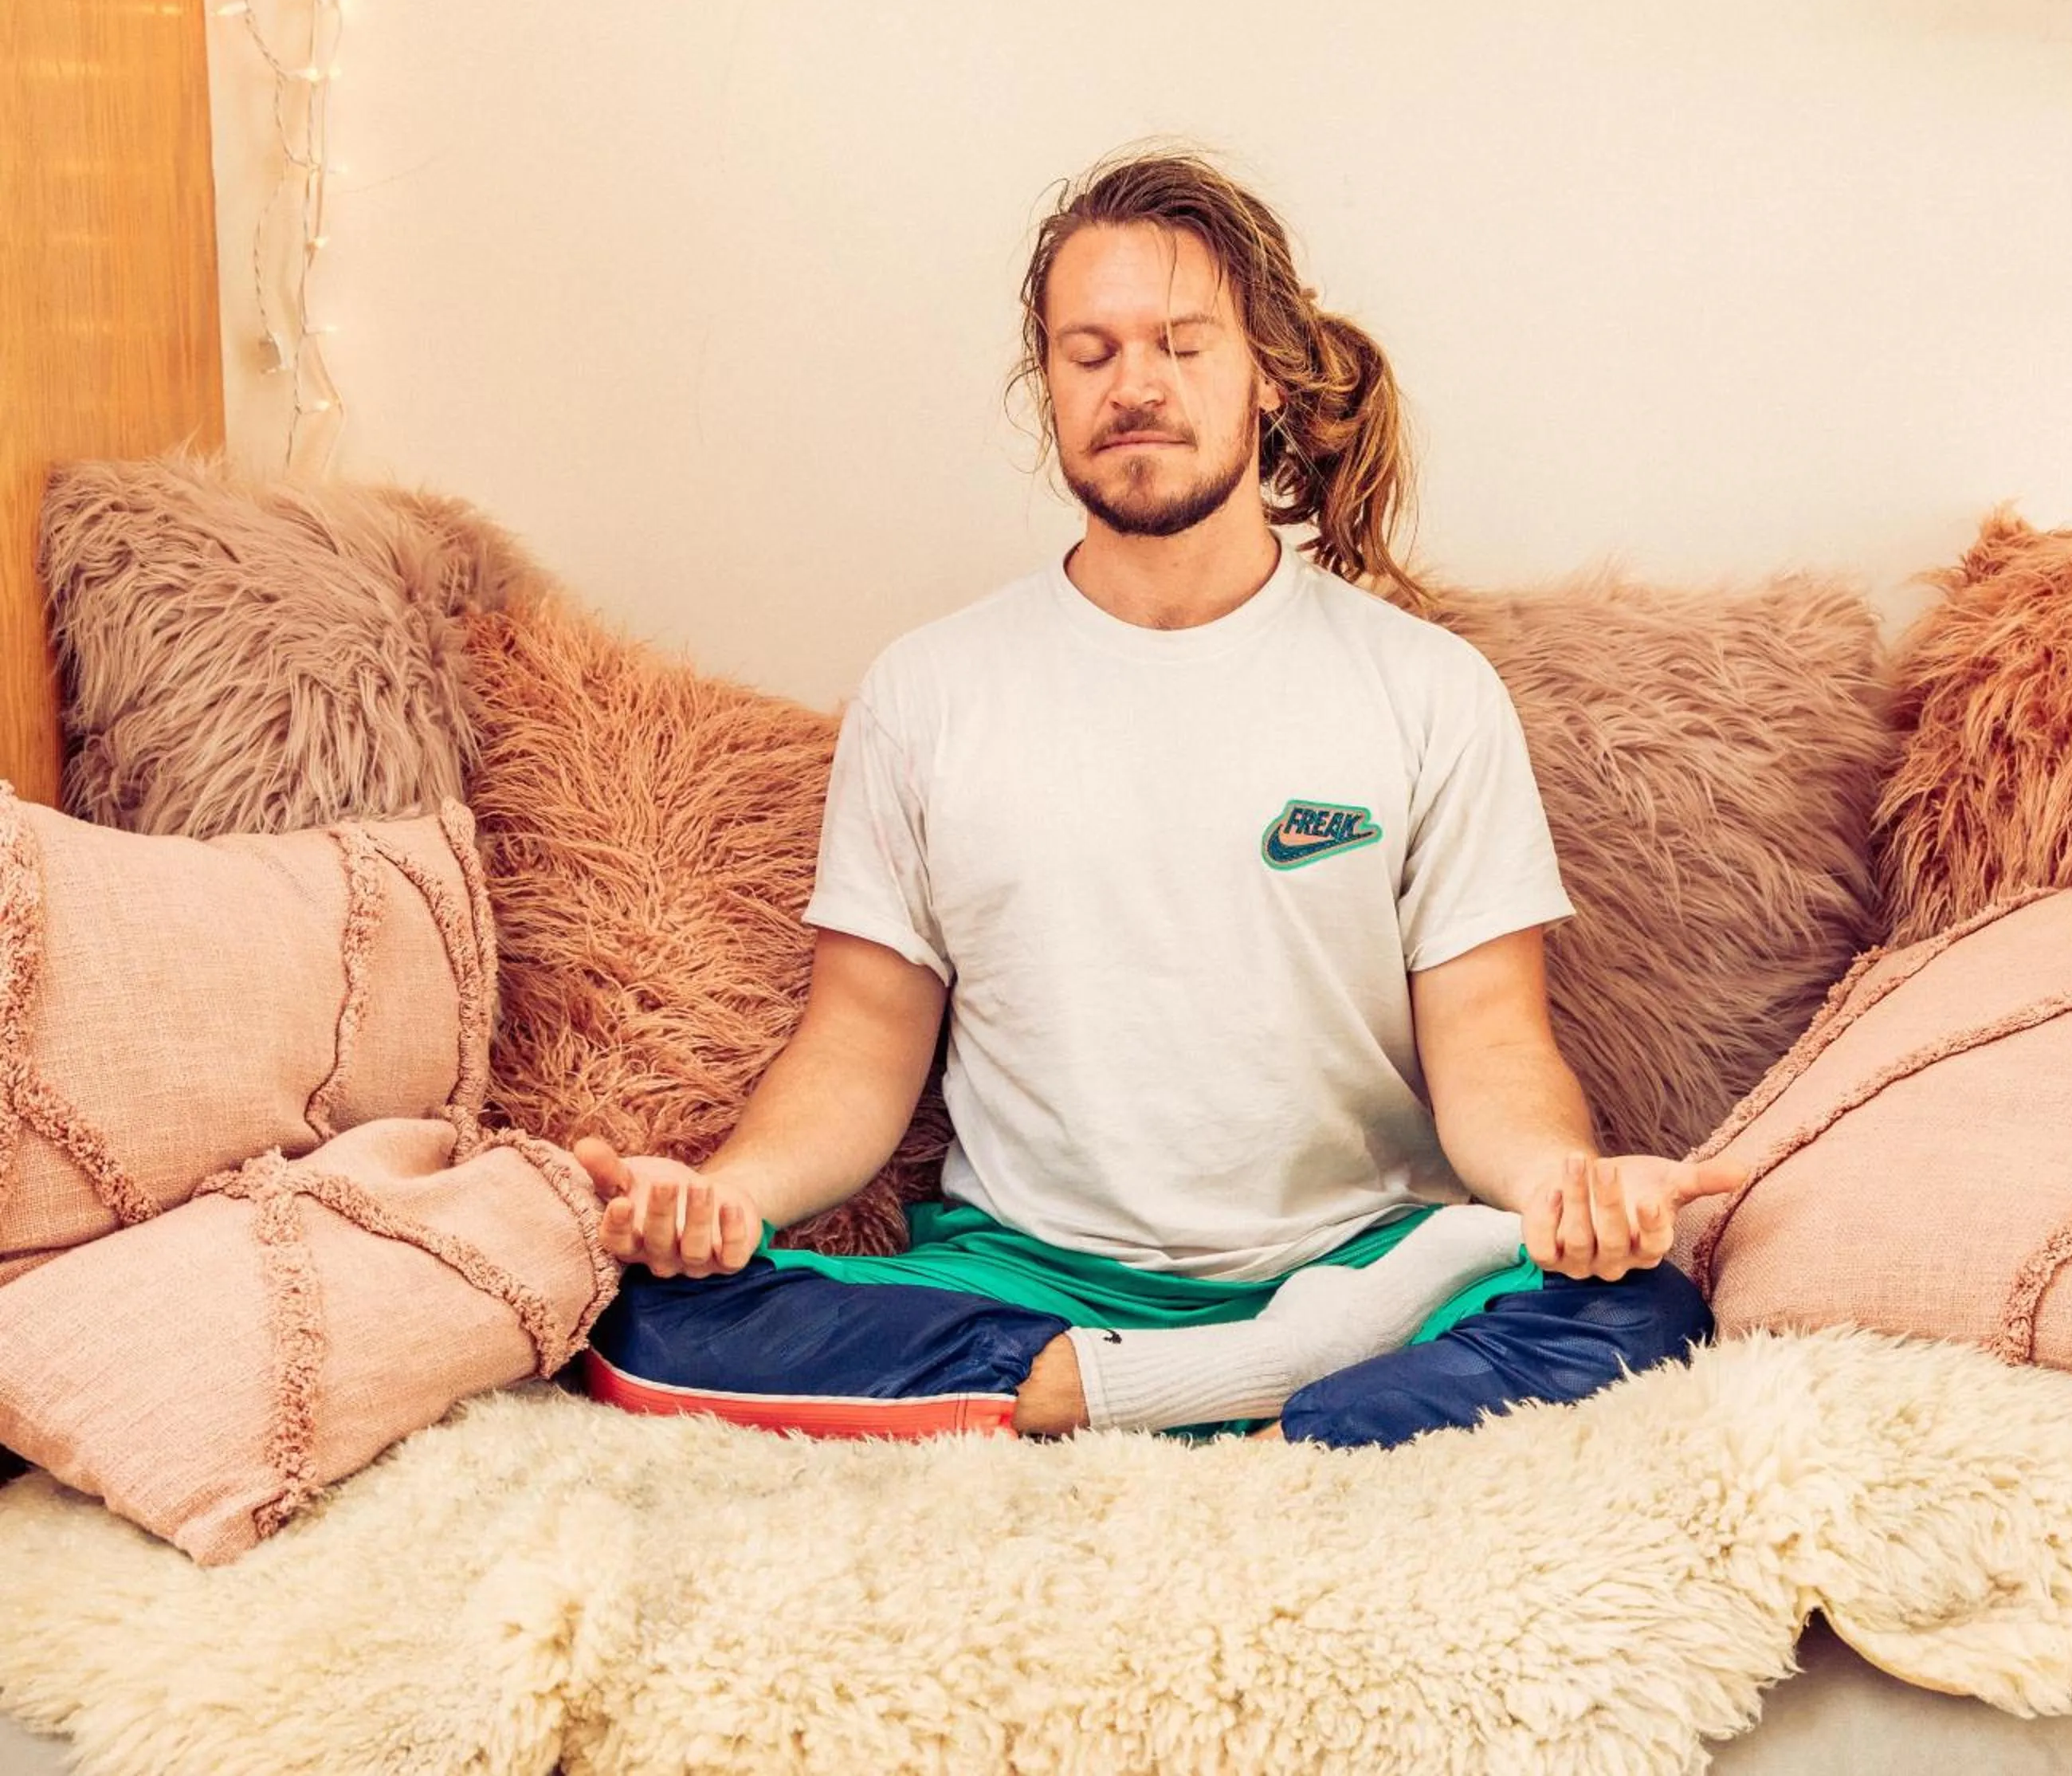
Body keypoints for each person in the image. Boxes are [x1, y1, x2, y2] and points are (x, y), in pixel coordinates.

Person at [572, 147, 1742, 1449]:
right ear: (1048, 388)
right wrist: (726, 1200)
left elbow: (1493, 1046)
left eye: (1183, 344)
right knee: (641, 1325)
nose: (1136, 384)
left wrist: (1560, 1192)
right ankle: (1290, 1396)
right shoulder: (928, 693)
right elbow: (856, 1051)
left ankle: (1145, 1392)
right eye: (1092, 351)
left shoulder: (1427, 690)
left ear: (1268, 375)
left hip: (1367, 1261)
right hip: (1026, 1274)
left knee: (1640, 1309)